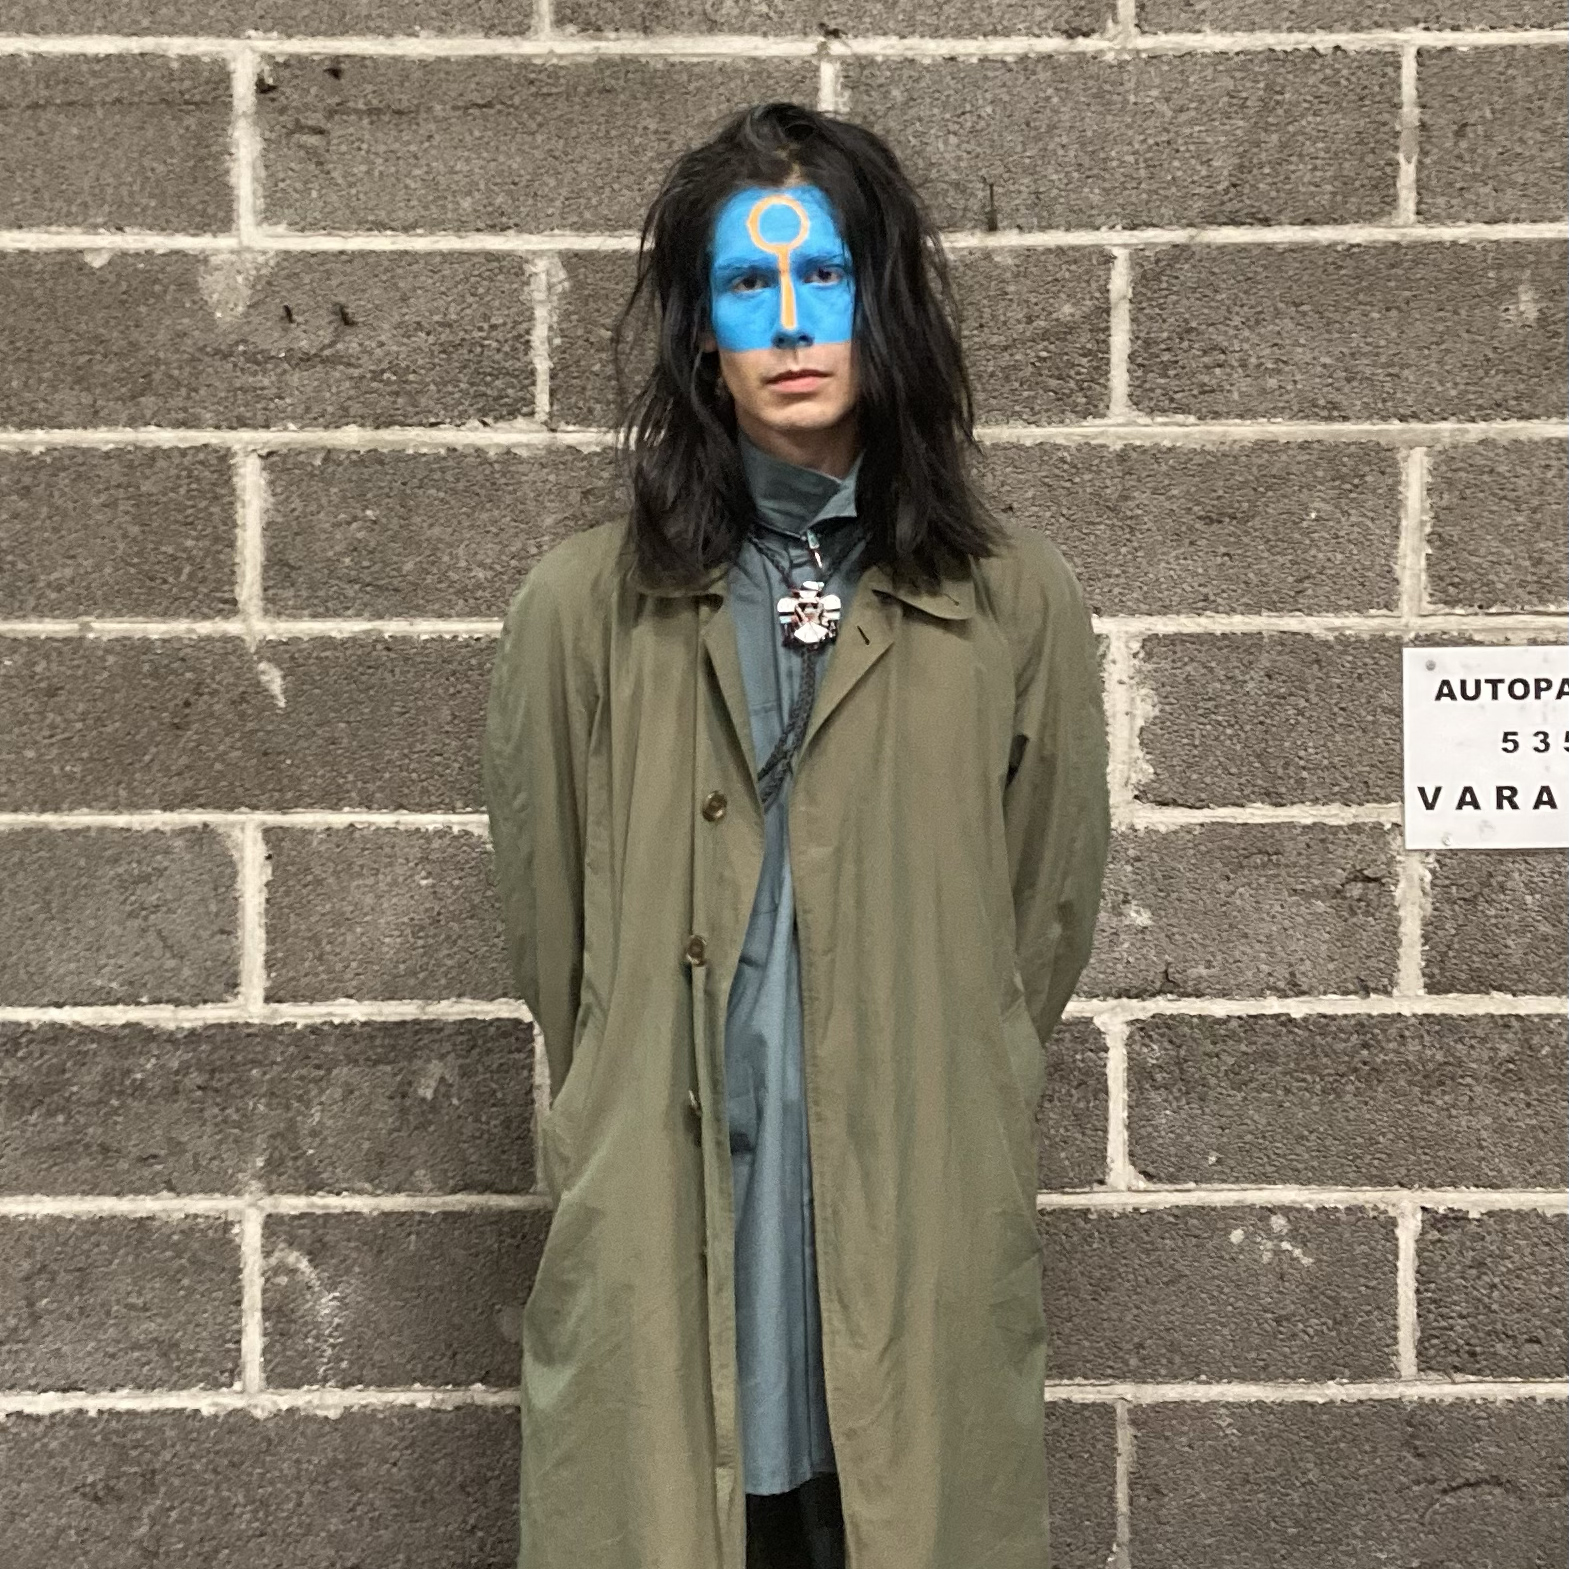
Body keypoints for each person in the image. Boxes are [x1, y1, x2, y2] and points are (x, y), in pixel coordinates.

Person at [482, 100, 1110, 1569]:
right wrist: (628, 1078)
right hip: (669, 1187)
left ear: (881, 304)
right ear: (699, 332)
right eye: (745, 286)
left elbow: (1037, 919)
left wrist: (932, 1061)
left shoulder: (1012, 604)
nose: (787, 324)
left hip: (910, 1185)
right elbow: (554, 933)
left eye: (821, 276)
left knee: (901, 1499)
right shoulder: (580, 611)